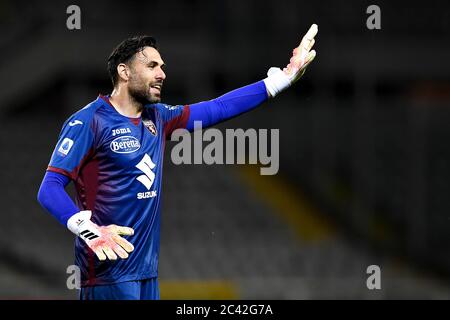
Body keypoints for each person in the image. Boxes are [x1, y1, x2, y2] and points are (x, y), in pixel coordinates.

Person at [37, 24, 318, 300]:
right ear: (124, 72)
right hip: (107, 274)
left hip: (147, 273)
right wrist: (90, 231)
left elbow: (218, 107)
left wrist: (284, 78)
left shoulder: (159, 117)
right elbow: (48, 188)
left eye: (162, 67)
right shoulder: (89, 121)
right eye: (152, 66)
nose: (162, 74)